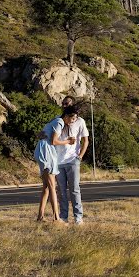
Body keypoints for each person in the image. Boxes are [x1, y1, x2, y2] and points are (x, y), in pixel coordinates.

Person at [34, 106, 77, 222]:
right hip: (47, 152)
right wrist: (69, 141)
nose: (73, 122)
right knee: (53, 186)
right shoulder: (59, 122)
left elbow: (40, 134)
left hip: (42, 150)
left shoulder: (54, 120)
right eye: (73, 119)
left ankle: (40, 217)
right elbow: (54, 141)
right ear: (67, 116)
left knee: (46, 187)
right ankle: (56, 218)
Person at [56, 96, 89, 225]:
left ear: (72, 105)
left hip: (72, 160)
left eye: (67, 103)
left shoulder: (80, 121)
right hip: (59, 161)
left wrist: (80, 156)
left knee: (74, 190)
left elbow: (85, 140)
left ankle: (78, 218)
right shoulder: (58, 120)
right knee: (61, 191)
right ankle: (63, 217)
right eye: (63, 103)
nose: (64, 105)